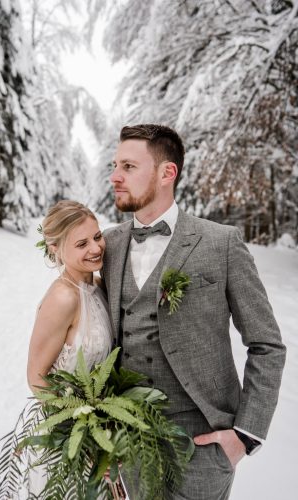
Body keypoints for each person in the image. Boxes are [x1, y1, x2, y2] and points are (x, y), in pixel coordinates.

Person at [101, 124, 286, 499]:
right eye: (115, 165)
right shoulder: (108, 245)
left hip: (204, 445)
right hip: (129, 442)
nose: (114, 176)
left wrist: (244, 435)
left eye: (129, 167)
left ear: (167, 173)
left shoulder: (222, 243)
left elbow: (267, 344)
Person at [26, 200, 114, 496]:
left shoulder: (100, 286)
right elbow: (37, 378)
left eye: (97, 237)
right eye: (81, 244)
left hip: (102, 435)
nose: (95, 248)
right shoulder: (63, 298)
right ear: (55, 248)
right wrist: (80, 428)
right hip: (67, 438)